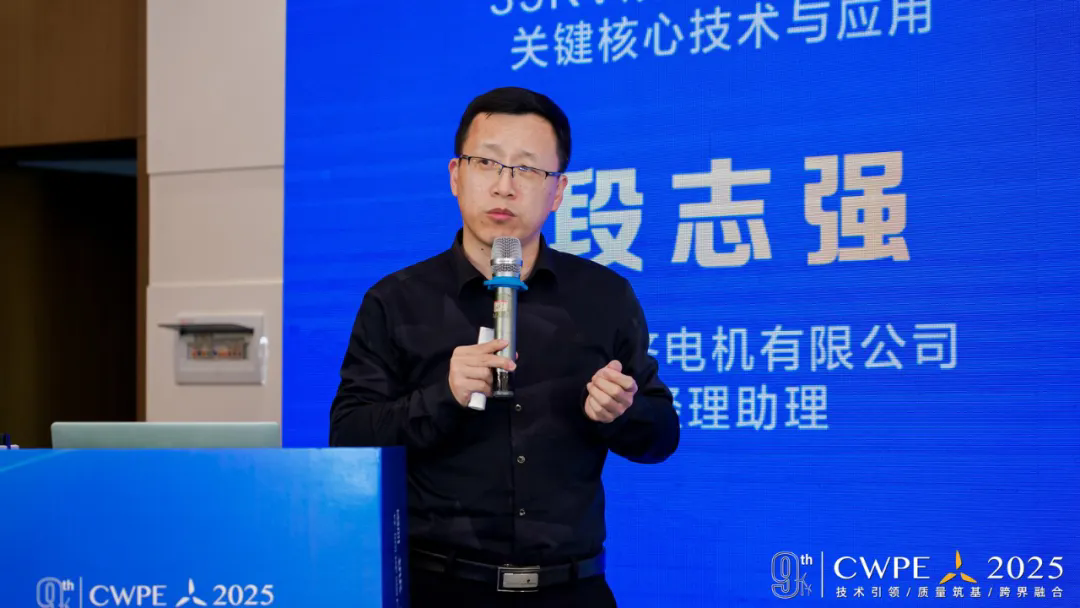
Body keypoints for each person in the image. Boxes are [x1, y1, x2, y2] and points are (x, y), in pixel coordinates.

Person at [329, 86, 679, 607]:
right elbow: (349, 438)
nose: (504, 186)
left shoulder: (604, 297)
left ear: (557, 192)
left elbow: (661, 437)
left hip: (572, 591)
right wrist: (442, 398)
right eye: (487, 162)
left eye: (527, 169)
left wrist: (622, 413)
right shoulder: (395, 301)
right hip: (439, 589)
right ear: (456, 175)